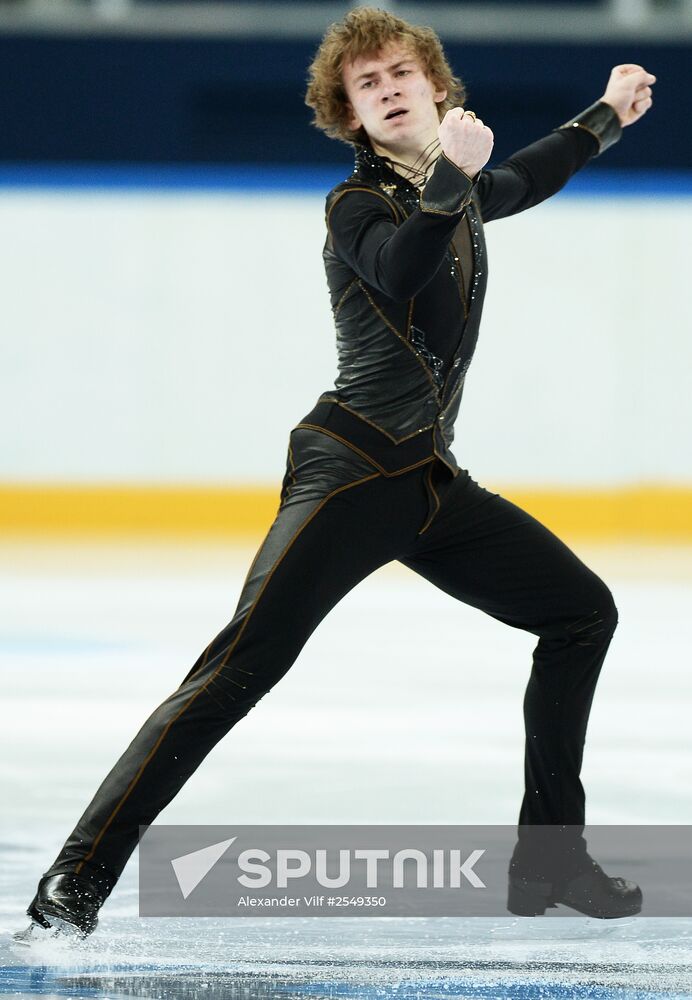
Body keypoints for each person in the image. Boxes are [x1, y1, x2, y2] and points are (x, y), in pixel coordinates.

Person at [20, 7, 655, 937]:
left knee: (580, 611)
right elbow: (400, 268)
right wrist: (454, 179)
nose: (390, 88)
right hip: (350, 475)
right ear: (352, 115)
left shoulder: (463, 186)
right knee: (234, 674)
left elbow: (527, 175)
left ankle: (548, 862)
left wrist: (604, 114)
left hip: (431, 486)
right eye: (368, 84)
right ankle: (74, 881)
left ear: (439, 89)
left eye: (403, 72)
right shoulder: (356, 204)